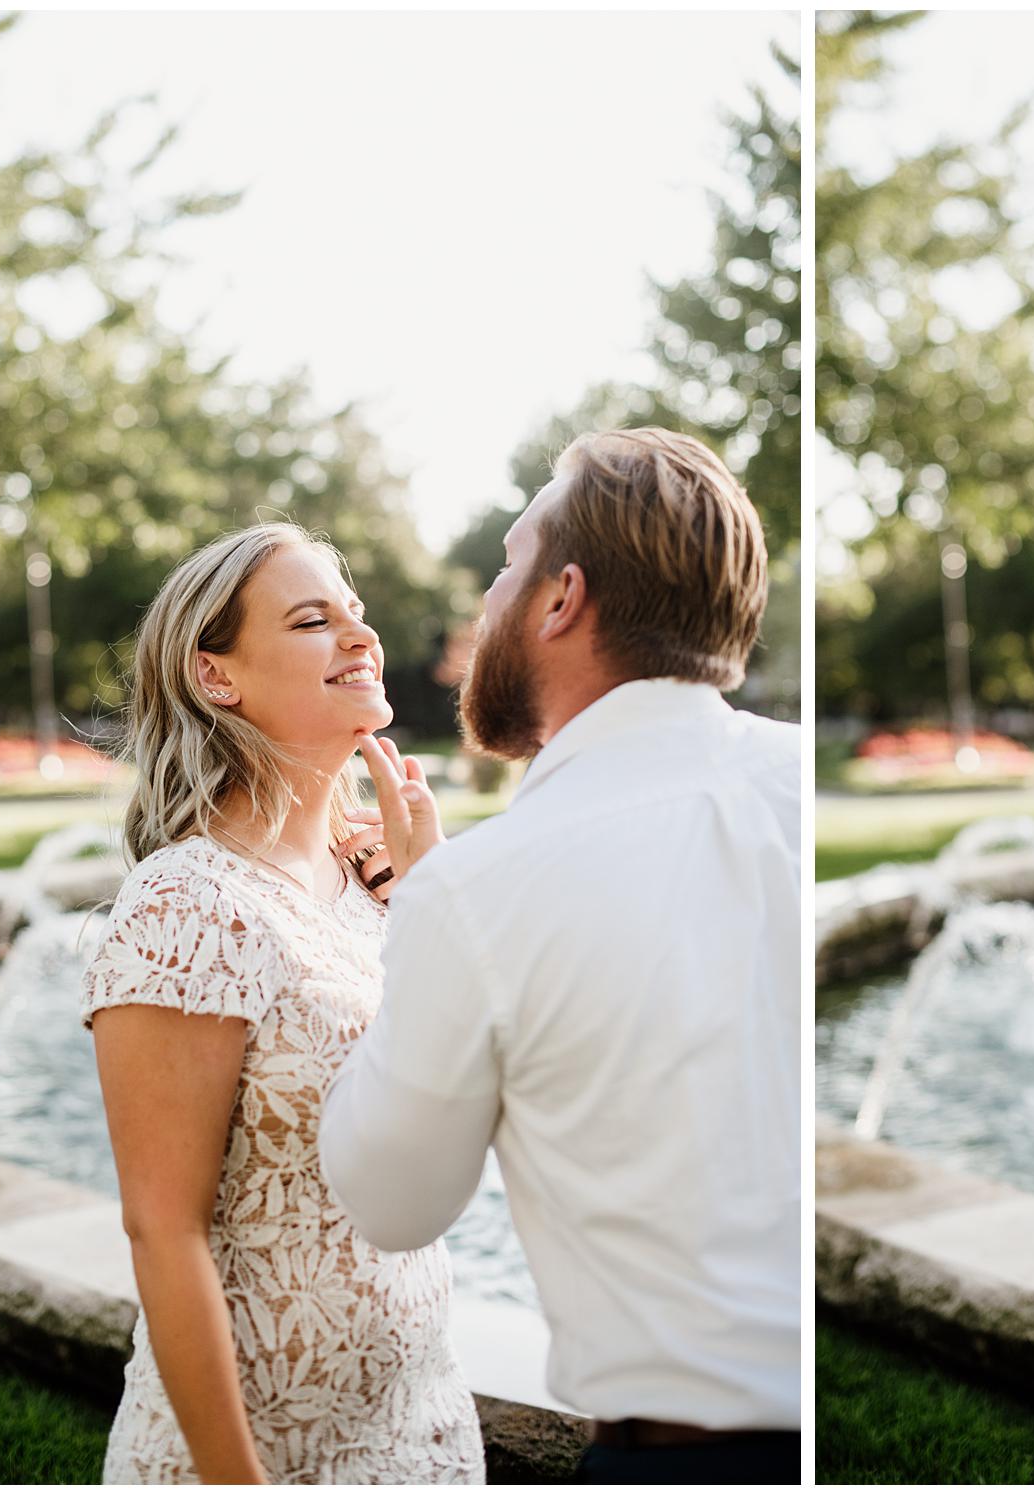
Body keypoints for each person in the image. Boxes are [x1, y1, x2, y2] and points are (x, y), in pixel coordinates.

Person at [321, 427, 801, 1485]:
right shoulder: (799, 781)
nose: (484, 602)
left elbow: (390, 1202)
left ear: (558, 599)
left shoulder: (479, 889)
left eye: (504, 565)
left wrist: (426, 915)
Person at [81, 523, 486, 1483]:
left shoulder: (382, 881)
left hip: (427, 1431)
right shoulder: (188, 901)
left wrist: (430, 901)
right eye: (314, 620)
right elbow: (162, 1228)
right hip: (264, 1455)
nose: (361, 637)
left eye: (356, 614)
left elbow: (468, 1118)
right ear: (217, 676)